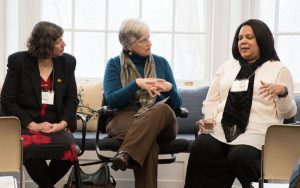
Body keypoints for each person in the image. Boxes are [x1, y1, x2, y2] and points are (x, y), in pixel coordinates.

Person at [184, 19, 297, 188]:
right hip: (221, 128)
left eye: (249, 37)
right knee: (203, 146)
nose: (243, 41)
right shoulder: (227, 67)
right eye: (240, 38)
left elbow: (288, 113)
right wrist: (209, 120)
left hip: (256, 131)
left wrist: (283, 93)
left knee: (240, 154)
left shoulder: (279, 70)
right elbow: (212, 100)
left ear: (262, 40)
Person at [103, 18, 182, 188]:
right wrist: (136, 84)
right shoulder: (114, 65)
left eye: (149, 38)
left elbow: (176, 105)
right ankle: (128, 153)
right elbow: (112, 100)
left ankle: (125, 153)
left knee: (162, 109)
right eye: (143, 40)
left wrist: (170, 89)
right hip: (126, 116)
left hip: (162, 119)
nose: (149, 43)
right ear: (129, 45)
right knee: (149, 145)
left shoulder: (161, 63)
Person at [0, 21, 79, 188]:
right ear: (46, 45)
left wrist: (62, 124)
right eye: (58, 41)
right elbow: (7, 101)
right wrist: (33, 125)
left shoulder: (67, 62)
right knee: (28, 148)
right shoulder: (18, 61)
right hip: (26, 123)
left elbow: (72, 99)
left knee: (70, 149)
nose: (64, 44)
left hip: (56, 124)